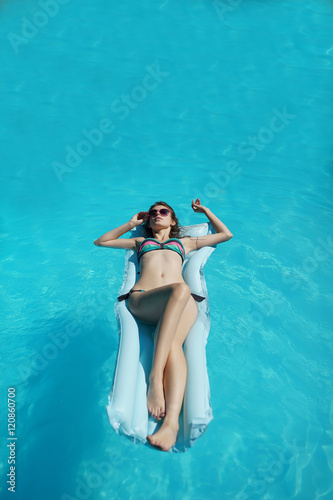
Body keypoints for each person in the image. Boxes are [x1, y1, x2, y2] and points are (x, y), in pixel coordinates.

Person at [94, 198, 233, 451]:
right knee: (180, 289)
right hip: (144, 300)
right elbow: (101, 241)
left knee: (173, 344)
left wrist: (206, 211)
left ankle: (171, 424)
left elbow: (226, 235)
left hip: (181, 302)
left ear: (173, 219)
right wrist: (131, 223)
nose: (157, 215)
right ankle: (155, 381)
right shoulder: (140, 242)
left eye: (163, 211)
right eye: (152, 213)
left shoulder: (186, 242)